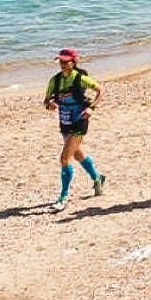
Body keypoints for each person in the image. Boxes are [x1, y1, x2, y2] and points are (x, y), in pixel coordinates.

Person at [43, 48, 107, 210]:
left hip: (80, 120)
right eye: (60, 62)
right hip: (64, 121)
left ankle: (63, 198)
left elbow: (101, 89)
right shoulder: (54, 80)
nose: (62, 65)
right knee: (77, 153)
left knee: (65, 158)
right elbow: (46, 102)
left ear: (73, 62)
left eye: (66, 62)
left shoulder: (80, 78)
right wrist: (50, 105)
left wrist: (92, 108)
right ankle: (97, 178)